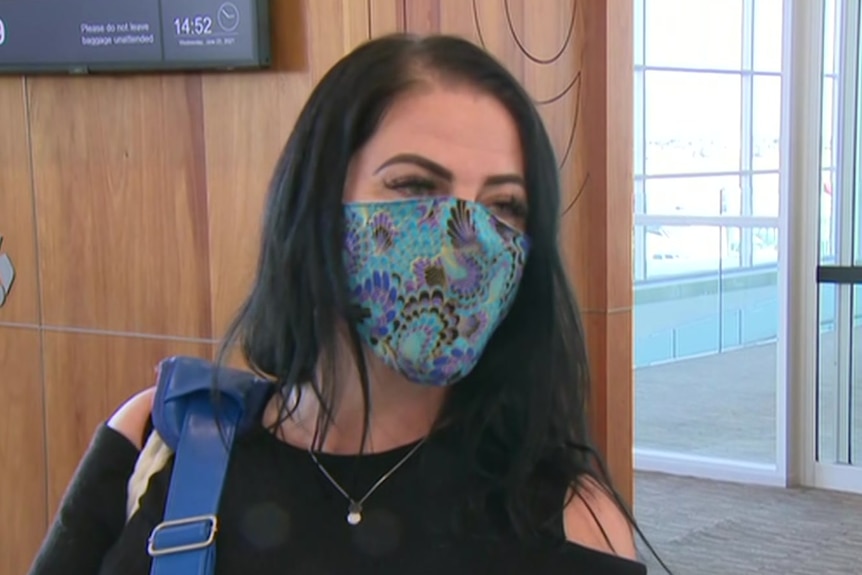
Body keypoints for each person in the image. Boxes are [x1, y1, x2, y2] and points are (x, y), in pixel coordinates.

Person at [29, 33, 655, 574]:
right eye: (414, 185)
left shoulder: (570, 517)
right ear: (317, 202)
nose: (466, 238)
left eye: (504, 205)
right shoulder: (163, 440)